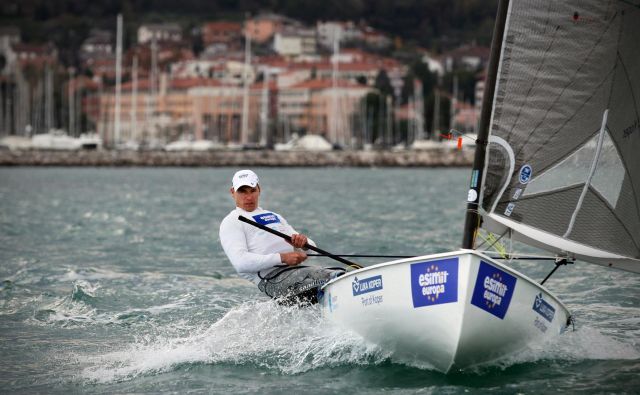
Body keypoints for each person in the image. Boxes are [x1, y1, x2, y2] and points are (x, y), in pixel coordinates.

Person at [219, 169, 344, 304]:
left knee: (341, 274)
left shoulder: (274, 217)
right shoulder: (231, 221)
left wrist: (303, 243)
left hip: (299, 272)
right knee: (331, 278)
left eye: (252, 191)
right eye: (242, 191)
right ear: (233, 192)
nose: (248, 197)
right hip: (271, 278)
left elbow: (312, 251)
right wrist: (283, 258)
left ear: (259, 190)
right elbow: (241, 263)